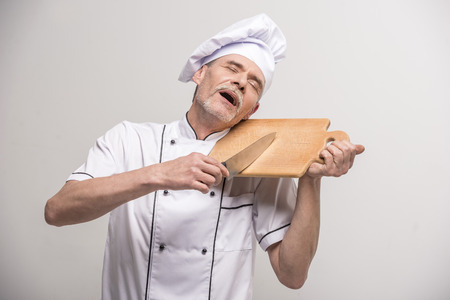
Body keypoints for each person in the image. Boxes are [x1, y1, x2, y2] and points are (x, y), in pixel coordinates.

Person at [45, 14, 364, 300]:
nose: (241, 81)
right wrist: (159, 174)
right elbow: (57, 211)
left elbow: (292, 275)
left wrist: (310, 179)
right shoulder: (129, 139)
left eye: (254, 83)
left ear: (251, 110)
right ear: (200, 74)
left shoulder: (263, 163)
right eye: (232, 67)